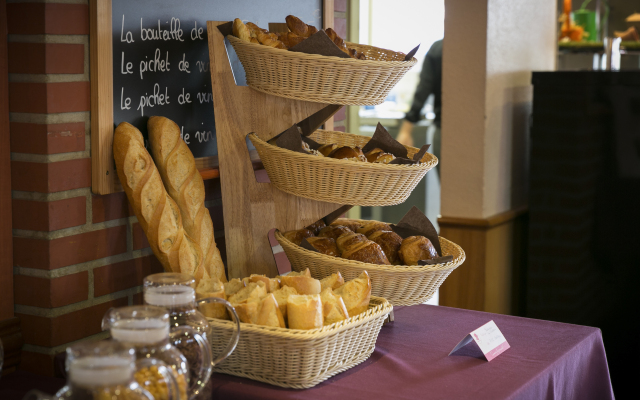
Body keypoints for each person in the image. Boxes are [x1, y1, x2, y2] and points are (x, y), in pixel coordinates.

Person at [396, 39, 442, 173]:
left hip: (445, 131)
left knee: (449, 189)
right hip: (479, 129)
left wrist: (406, 130)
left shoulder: (438, 49)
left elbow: (423, 90)